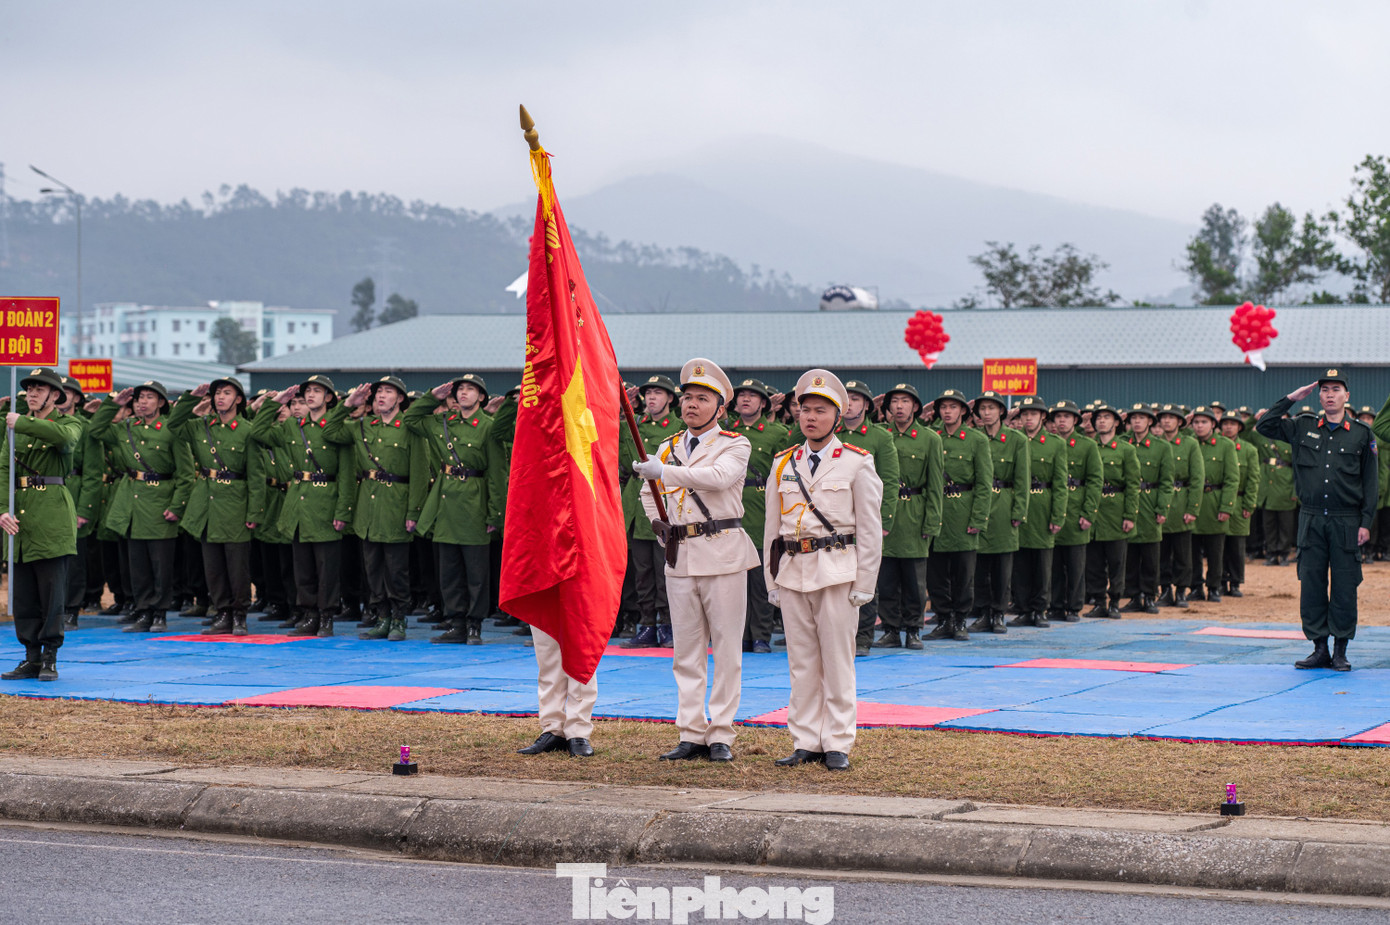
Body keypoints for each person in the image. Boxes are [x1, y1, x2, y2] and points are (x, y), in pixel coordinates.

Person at [635, 358, 760, 763]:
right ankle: (690, 731)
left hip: (722, 552)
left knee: (726, 649)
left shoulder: (735, 444)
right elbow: (648, 493)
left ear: (720, 409)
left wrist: (664, 471)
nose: (691, 404)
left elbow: (718, 478)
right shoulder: (668, 446)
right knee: (686, 652)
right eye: (687, 397)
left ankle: (721, 732)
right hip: (681, 555)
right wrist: (659, 526)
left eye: (702, 399)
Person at [764, 369, 882, 771]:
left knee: (837, 661)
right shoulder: (783, 463)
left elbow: (870, 529)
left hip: (837, 572)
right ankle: (806, 740)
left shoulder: (856, 463)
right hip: (792, 571)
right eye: (805, 410)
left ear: (838, 415)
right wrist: (771, 580)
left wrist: (865, 581)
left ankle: (837, 742)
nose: (810, 417)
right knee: (801, 663)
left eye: (820, 410)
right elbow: (772, 530)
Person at [1264, 370, 1378, 671]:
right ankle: (1319, 648)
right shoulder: (1302, 426)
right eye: (1325, 389)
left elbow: (1371, 482)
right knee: (1312, 583)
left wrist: (1366, 521)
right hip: (1311, 518)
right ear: (1318, 395)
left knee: (1344, 585)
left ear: (1346, 396)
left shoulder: (1361, 434)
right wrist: (1292, 398)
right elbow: (1264, 425)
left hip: (1346, 520)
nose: (1330, 394)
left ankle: (1340, 650)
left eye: (1336, 389)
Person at [404, 374, 506, 644]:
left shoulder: (488, 427)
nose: (463, 393)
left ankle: (474, 625)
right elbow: (411, 419)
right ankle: (456, 622)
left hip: (475, 501)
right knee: (449, 571)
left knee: (476, 572)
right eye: (460, 389)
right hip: (446, 502)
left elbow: (497, 474)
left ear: (481, 397)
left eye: (470, 389)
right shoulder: (443, 422)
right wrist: (432, 397)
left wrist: (495, 513)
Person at [251, 375, 355, 637]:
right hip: (298, 503)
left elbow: (346, 474)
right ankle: (309, 615)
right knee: (303, 568)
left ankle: (326, 616)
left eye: (317, 391)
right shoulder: (292, 426)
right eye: (308, 391)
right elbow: (258, 432)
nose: (310, 395)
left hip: (326, 503)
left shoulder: (338, 428)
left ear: (328, 397)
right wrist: (276, 403)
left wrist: (343, 510)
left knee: (326, 568)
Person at [326, 375, 427, 642]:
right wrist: (348, 404)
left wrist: (414, 511)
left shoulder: (409, 427)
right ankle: (381, 617)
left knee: (396, 570)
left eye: (388, 392)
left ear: (400, 398)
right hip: (368, 507)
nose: (381, 396)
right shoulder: (363, 426)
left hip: (396, 504)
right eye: (379, 392)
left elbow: (419, 473)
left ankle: (398, 619)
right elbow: (329, 431)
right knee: (373, 569)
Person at [1, 368, 83, 682]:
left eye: (39, 389)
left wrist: (23, 423)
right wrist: (2, 510)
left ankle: (50, 656)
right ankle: (31, 656)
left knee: (51, 594)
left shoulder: (68, 423)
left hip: (51, 516)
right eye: (30, 389)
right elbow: (4, 469)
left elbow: (65, 440)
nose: (32, 394)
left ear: (54, 395)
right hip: (20, 518)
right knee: (23, 595)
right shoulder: (14, 426)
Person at [88, 381, 189, 633]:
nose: (142, 402)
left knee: (160, 566)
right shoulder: (126, 428)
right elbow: (95, 430)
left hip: (160, 502)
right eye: (139, 398)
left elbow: (186, 475)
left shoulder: (171, 430)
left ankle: (160, 613)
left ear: (161, 403)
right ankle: (143, 611)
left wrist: (177, 506)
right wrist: (113, 404)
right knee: (138, 566)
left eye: (149, 397)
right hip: (133, 504)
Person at [168, 378, 263, 636]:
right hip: (207, 505)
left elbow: (256, 476)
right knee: (213, 567)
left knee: (237, 567)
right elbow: (173, 425)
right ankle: (222, 612)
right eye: (217, 393)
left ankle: (240, 614)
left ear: (239, 399)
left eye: (227, 393)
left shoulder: (247, 430)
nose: (220, 397)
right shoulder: (201, 426)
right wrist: (190, 398)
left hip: (235, 503)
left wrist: (254, 511)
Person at [874, 383, 942, 648]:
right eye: (894, 401)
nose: (899, 406)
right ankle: (890, 629)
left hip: (915, 512)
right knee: (887, 578)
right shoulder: (881, 436)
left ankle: (913, 629)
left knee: (915, 581)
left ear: (915, 406)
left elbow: (935, 485)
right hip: (885, 512)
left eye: (905, 401)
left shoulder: (930, 439)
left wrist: (931, 522)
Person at [725, 378, 790, 653]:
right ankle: (741, 635)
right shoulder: (726, 432)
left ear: (764, 403)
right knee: (734, 581)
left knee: (762, 579)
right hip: (731, 507)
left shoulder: (777, 433)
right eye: (741, 395)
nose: (745, 399)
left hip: (762, 508)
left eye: (752, 396)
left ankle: (761, 635)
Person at [836, 379, 899, 656]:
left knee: (864, 577)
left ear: (867, 405)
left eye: (856, 399)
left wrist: (883, 520)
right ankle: (839, 635)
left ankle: (863, 636)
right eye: (846, 399)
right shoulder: (831, 434)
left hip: (864, 517)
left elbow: (889, 481)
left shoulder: (880, 438)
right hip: (834, 518)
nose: (850, 404)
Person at [620, 375, 681, 648]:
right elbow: (623, 457)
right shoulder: (634, 425)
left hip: (663, 502)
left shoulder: (679, 427)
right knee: (642, 573)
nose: (652, 397)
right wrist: (624, 411)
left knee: (664, 570)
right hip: (637, 506)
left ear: (670, 398)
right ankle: (646, 625)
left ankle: (668, 625)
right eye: (649, 393)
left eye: (658, 392)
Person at [969, 390, 1028, 634]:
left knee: (1002, 566)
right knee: (980, 565)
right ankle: (983, 612)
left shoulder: (1016, 440)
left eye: (991, 408)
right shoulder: (973, 437)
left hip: (1004, 504)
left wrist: (1019, 512)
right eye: (982, 408)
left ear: (1002, 411)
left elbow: (1022, 479)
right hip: (978, 504)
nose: (986, 413)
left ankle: (998, 613)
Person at [1009, 396, 1068, 627]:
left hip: (1043, 506)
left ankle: (1040, 609)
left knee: (1043, 564)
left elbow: (1060, 484)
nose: (1028, 418)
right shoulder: (1014, 440)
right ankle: (1023, 608)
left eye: (1033, 414)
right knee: (1020, 563)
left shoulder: (1055, 444)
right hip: (1019, 505)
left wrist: (1057, 515)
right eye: (1024, 414)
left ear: (1043, 417)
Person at [1083, 403, 1139, 619]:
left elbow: (1133, 485)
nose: (1101, 421)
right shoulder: (1089, 447)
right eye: (1098, 418)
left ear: (1116, 422)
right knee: (1094, 562)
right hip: (1094, 509)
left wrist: (1129, 515)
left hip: (1116, 509)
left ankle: (1115, 601)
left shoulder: (1126, 449)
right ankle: (1098, 601)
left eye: (1107, 417)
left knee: (1117, 561)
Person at [1048, 401, 1101, 622]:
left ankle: (1073, 606)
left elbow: (1095, 481)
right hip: (1052, 510)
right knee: (1054, 564)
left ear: (1075, 420)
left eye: (1067, 417)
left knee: (1075, 564)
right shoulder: (1049, 443)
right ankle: (1055, 605)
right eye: (1058, 416)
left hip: (1076, 509)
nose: (1062, 420)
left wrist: (1088, 513)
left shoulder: (1087, 446)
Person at [1121, 404, 1174, 614]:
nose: (1137, 422)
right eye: (1133, 418)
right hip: (1128, 503)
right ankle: (1134, 596)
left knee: (1151, 556)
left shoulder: (1161, 447)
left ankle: (1150, 596)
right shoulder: (1123, 443)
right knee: (1130, 555)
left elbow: (1167, 481)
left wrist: (1162, 508)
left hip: (1150, 503)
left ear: (1150, 421)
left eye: (1141, 418)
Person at [1189, 406, 1239, 602]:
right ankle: (1195, 587)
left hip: (1214, 501)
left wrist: (1226, 506)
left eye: (1204, 422)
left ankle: (1214, 587)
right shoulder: (1189, 443)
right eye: (1196, 422)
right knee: (1192, 550)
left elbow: (1232, 479)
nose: (1199, 426)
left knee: (1215, 551)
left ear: (1213, 424)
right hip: (1193, 502)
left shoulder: (1225, 445)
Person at [1155, 403, 1204, 608]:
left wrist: (1192, 508)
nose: (1166, 421)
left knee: (1183, 553)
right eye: (1164, 417)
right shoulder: (1155, 443)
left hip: (1182, 501)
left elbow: (1197, 478)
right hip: (1160, 502)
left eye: (1171, 418)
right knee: (1161, 553)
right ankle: (1165, 590)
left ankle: (1182, 590)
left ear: (1180, 422)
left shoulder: (1189, 444)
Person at [1219, 411, 1261, 597]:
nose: (1228, 427)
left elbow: (1253, 479)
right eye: (1225, 423)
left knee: (1236, 545)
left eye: (1233, 424)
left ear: (1239, 427)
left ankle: (1235, 582)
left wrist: (1249, 504)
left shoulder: (1248, 449)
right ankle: (1220, 581)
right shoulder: (1216, 446)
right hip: (1218, 501)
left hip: (1239, 502)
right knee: (1218, 545)